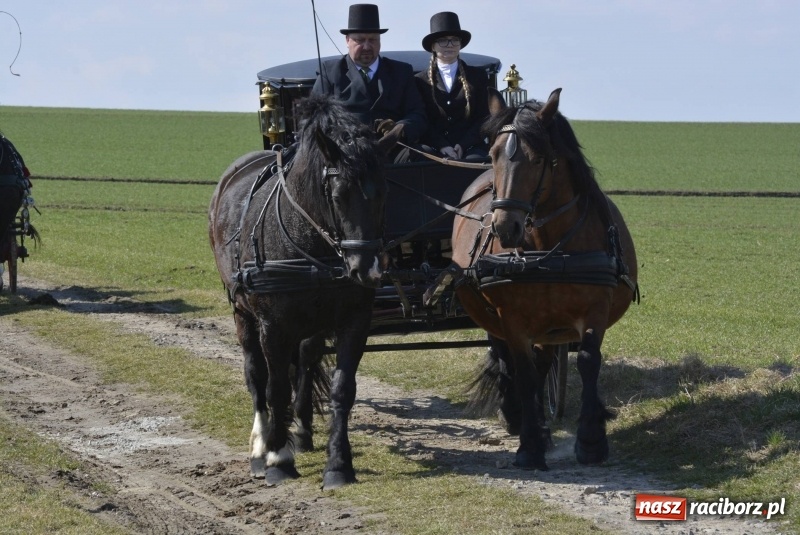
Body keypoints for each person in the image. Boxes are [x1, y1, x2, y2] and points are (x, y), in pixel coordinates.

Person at [311, 4, 426, 162]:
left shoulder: (401, 72)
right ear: (347, 40)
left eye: (372, 40)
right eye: (360, 40)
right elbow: (314, 120)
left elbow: (418, 114)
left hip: (392, 152)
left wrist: (400, 128)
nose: (366, 46)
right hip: (347, 156)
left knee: (421, 156)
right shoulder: (330, 73)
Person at [414, 12, 490, 161]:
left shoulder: (477, 77)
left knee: (477, 161)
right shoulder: (419, 81)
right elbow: (421, 119)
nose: (449, 45)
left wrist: (463, 145)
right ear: (433, 46)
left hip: (470, 147)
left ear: (460, 44)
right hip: (435, 147)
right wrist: (441, 145)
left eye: (454, 40)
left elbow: (484, 117)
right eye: (443, 41)